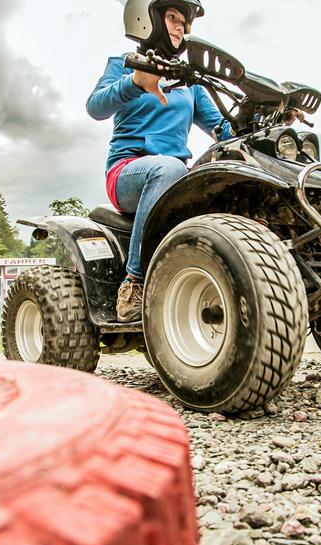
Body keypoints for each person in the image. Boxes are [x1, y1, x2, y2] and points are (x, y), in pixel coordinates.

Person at [86, 0, 233, 322]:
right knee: (169, 166)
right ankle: (134, 282)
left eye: (184, 21)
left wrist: (266, 120)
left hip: (176, 176)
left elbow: (221, 128)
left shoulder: (190, 82)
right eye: (172, 18)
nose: (181, 26)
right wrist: (136, 82)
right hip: (128, 173)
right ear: (147, 19)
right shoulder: (124, 64)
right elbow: (95, 107)